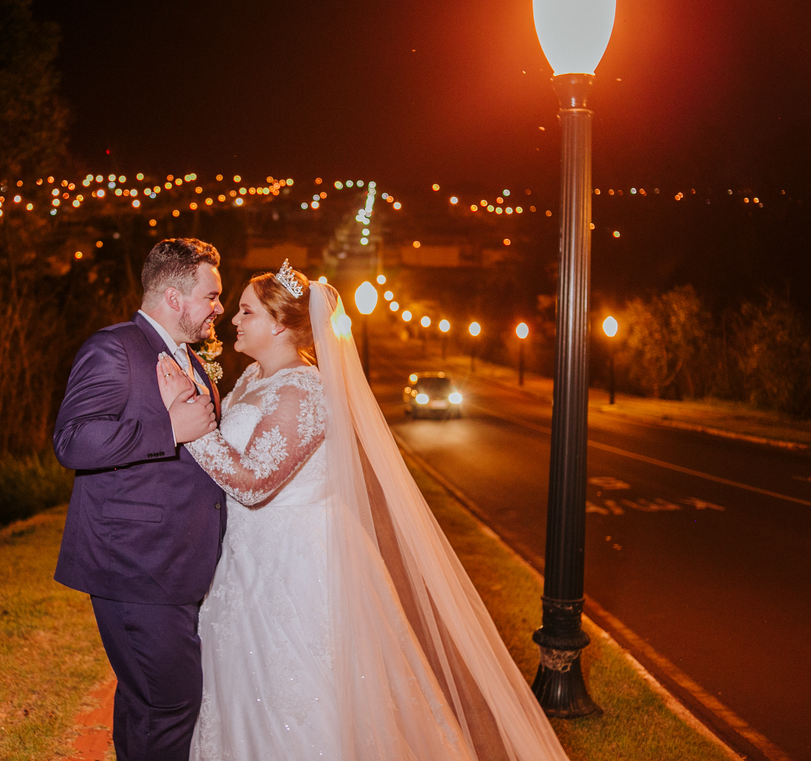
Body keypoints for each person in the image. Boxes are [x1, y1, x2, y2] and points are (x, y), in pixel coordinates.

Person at [157, 262, 571, 761]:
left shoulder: (304, 391)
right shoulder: (250, 378)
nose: (233, 320)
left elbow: (252, 482)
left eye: (246, 311)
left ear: (280, 325)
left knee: (303, 693)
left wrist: (189, 426)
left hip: (295, 565)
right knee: (240, 685)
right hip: (244, 561)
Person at [53, 238, 227, 761]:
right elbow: (72, 440)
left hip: (175, 564)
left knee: (146, 703)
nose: (219, 307)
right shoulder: (115, 349)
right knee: (170, 704)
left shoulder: (190, 358)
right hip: (136, 566)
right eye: (211, 296)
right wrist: (168, 429)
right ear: (174, 298)